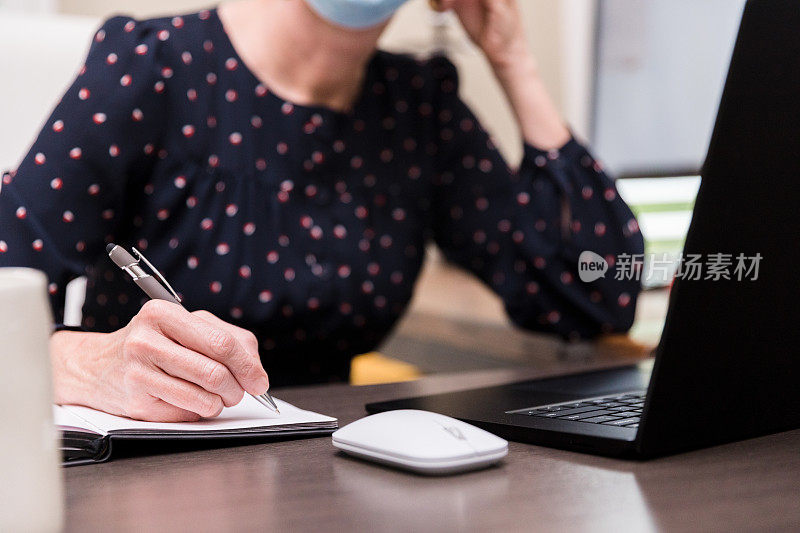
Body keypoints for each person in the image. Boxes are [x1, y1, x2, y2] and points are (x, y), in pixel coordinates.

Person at [0, 0, 644, 421]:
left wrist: (514, 60)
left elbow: (592, 293)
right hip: (157, 469)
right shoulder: (152, 68)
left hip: (327, 471)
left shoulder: (418, 108)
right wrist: (90, 361)